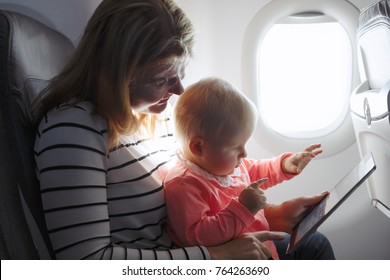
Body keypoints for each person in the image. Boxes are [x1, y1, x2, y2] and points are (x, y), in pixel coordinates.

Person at [32, 0, 334, 260]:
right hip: (185, 259)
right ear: (118, 72)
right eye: (163, 78)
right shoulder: (73, 130)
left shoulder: (154, 119)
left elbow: (205, 200)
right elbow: (87, 261)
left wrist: (272, 215)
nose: (178, 90)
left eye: (180, 73)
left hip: (200, 248)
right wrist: (214, 256)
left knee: (314, 243)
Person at [164, 77, 330, 260]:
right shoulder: (184, 185)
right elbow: (197, 236)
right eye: (235, 147)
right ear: (198, 148)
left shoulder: (224, 166)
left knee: (318, 243)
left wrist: (285, 165)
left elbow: (257, 170)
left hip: (260, 250)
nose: (244, 153)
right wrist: (243, 208)